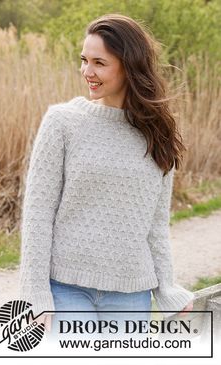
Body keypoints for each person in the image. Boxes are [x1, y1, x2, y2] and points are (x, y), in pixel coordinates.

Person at [19, 14, 194, 341]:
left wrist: (166, 288)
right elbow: (38, 214)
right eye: (84, 60)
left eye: (100, 63)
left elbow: (155, 224)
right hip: (66, 289)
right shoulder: (63, 123)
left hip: (130, 293)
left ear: (129, 66)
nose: (87, 72)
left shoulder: (158, 134)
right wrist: (34, 294)